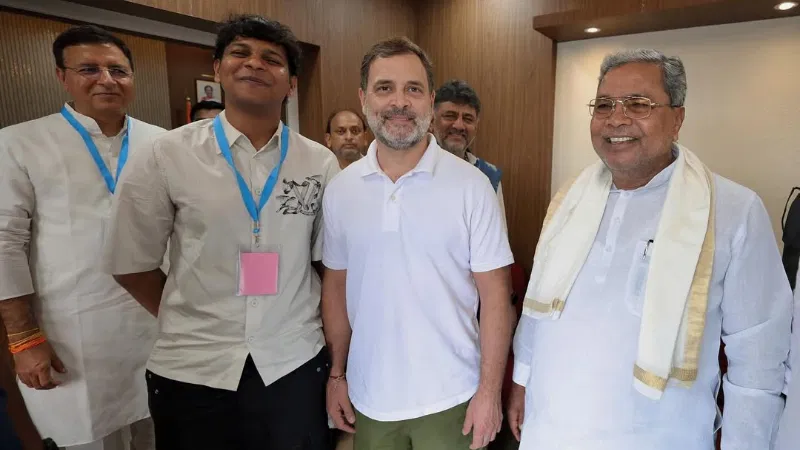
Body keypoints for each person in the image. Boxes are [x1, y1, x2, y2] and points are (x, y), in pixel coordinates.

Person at [507, 49, 792, 450]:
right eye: (603, 105)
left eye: (638, 104)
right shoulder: (570, 200)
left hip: (660, 438)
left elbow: (758, 355)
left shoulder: (732, 210)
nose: (616, 118)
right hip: (549, 431)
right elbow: (539, 310)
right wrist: (521, 382)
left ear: (677, 118)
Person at [103, 15, 339, 450]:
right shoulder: (167, 154)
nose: (255, 64)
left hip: (292, 361)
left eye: (271, 59)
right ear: (217, 69)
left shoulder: (319, 162)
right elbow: (131, 263)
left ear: (291, 84)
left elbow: (325, 263)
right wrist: (193, 316)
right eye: (240, 53)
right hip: (194, 366)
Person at [322, 37, 515, 450]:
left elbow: (496, 298)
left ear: (430, 99)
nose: (399, 102)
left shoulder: (472, 186)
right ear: (364, 98)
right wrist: (337, 374)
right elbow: (335, 287)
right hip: (370, 396)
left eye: (412, 89)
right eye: (384, 88)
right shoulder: (340, 190)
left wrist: (489, 392)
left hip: (454, 396)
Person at [0, 24, 164, 450]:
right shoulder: (19, 143)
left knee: (159, 431)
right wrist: (23, 338)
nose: (106, 80)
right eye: (89, 69)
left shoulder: (163, 143)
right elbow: (4, 244)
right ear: (62, 76)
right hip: (72, 335)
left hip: (157, 326)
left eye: (118, 70)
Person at [432, 80, 505, 220]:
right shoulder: (412, 171)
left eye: (468, 119)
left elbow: (498, 232)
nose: (459, 126)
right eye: (450, 116)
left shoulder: (489, 176)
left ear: (476, 126)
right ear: (431, 120)